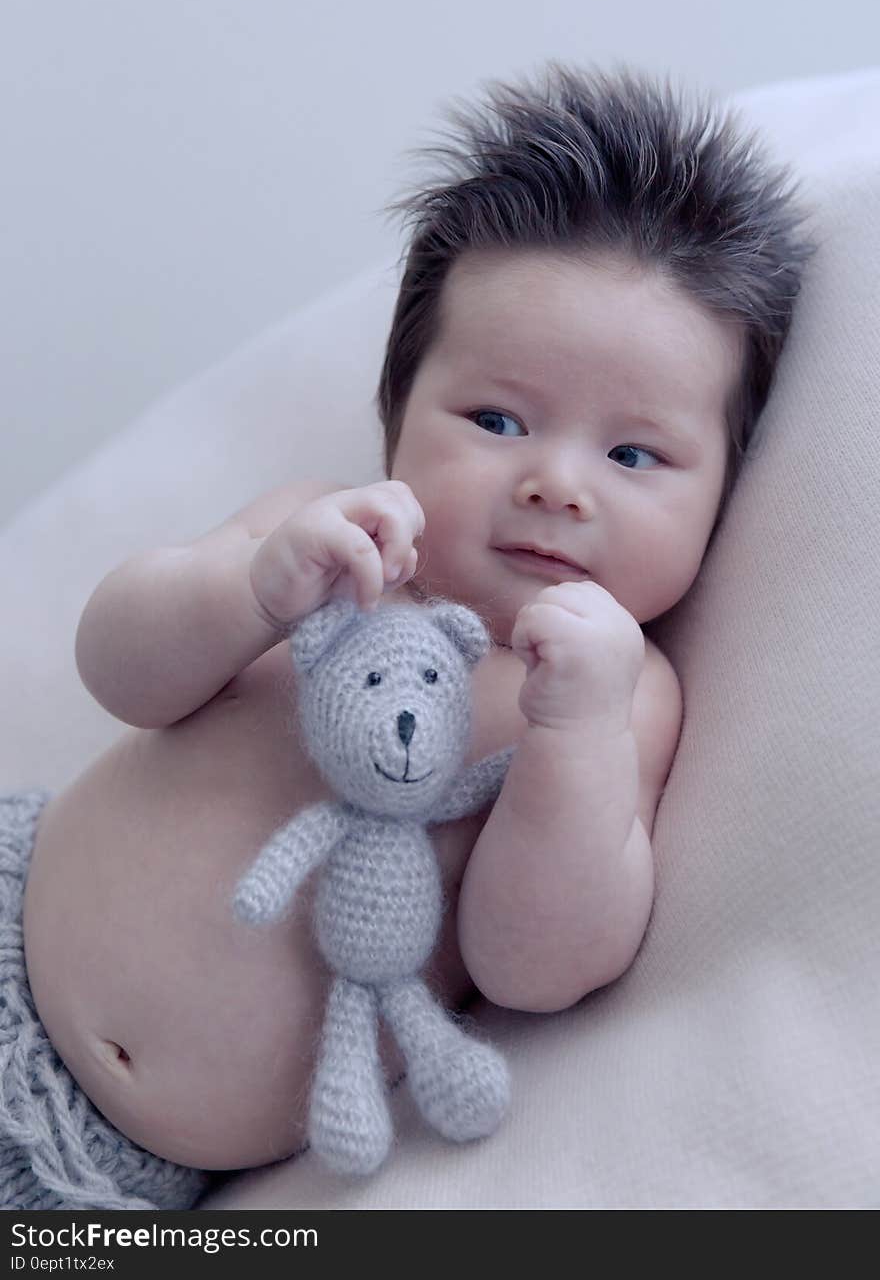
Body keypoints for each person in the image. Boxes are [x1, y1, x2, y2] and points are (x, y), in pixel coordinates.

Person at [2, 62, 813, 1208]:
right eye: (495, 418)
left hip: (119, 1179)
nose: (553, 484)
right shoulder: (316, 543)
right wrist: (246, 591)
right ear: (396, 417)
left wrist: (571, 735)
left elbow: (530, 968)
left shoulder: (619, 700)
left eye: (632, 455)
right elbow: (119, 669)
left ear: (724, 491)